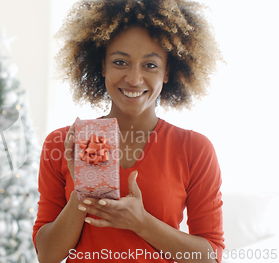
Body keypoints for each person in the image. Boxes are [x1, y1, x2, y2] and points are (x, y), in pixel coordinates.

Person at [32, 0, 225, 262]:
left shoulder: (194, 149)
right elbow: (48, 255)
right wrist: (85, 192)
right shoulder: (63, 142)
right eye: (120, 62)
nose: (134, 79)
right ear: (102, 66)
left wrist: (142, 223)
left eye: (150, 65)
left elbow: (211, 256)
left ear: (167, 71)